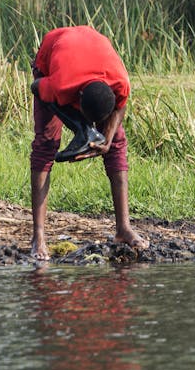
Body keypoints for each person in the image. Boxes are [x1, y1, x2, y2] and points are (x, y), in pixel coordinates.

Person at [29, 26, 148, 260]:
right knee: (46, 144)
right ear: (78, 99)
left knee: (116, 143)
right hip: (53, 56)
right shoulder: (60, 85)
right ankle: (38, 236)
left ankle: (123, 228)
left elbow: (121, 105)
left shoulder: (120, 82)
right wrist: (79, 126)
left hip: (92, 52)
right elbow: (36, 87)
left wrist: (107, 138)